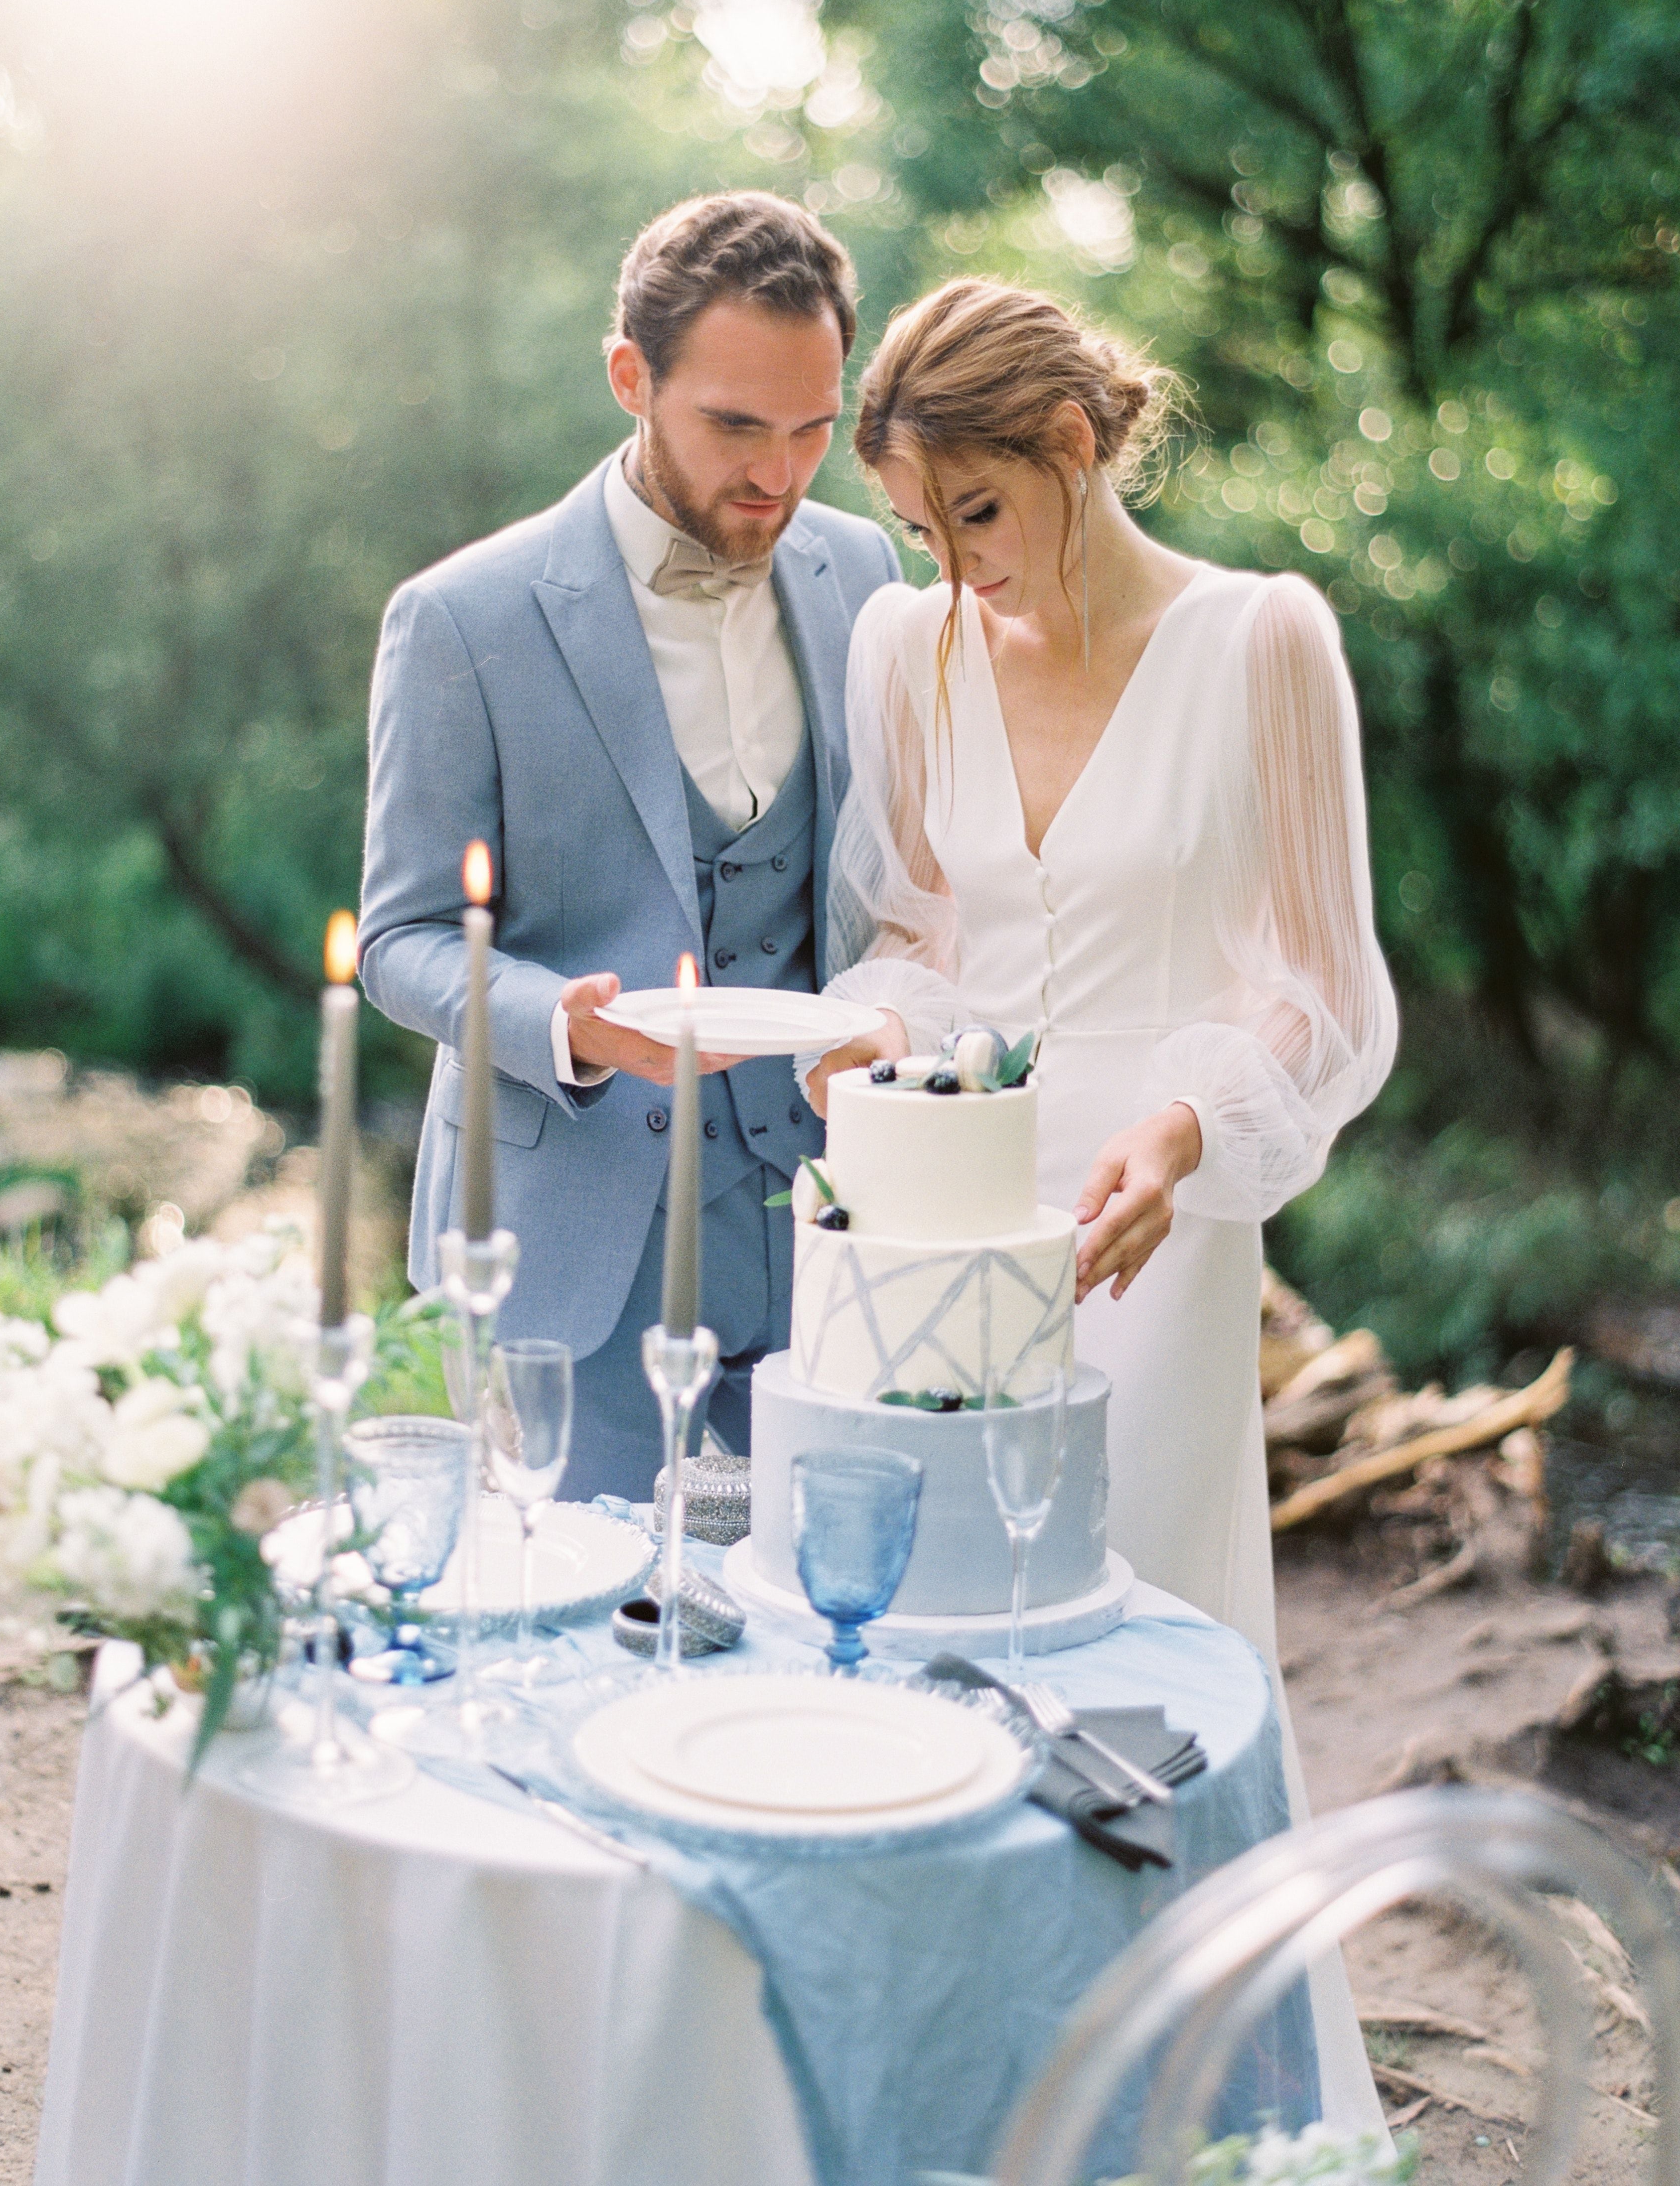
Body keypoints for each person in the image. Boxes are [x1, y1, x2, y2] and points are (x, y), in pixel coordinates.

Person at [806, 275, 1397, 2126]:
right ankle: (958, 2100)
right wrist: (863, 1039)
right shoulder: (906, 653)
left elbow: (1317, 981)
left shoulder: (1261, 641)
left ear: (1073, 446)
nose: (951, 562)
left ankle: (1192, 2109)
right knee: (921, 1646)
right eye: (917, 525)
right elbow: (917, 929)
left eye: (976, 511)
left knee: (1142, 1657)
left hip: (1158, 1213)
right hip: (944, 1207)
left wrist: (1189, 1123)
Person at [358, 192, 900, 1501]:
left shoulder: (867, 573)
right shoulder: (461, 619)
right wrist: (569, 1024)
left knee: (817, 1624)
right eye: (734, 426)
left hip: (826, 1225)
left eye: (814, 429)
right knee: (596, 1643)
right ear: (630, 379)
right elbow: (399, 942)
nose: (778, 474)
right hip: (580, 1249)